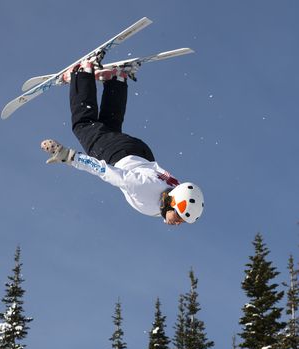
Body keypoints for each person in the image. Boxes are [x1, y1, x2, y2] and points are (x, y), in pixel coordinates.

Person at [41, 59, 204, 226]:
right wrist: (69, 157)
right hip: (118, 155)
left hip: (139, 152)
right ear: (172, 202)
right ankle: (82, 72)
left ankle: (117, 79)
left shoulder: (174, 188)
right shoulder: (143, 189)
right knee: (83, 125)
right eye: (178, 217)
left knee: (107, 129)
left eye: (182, 221)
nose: (177, 223)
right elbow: (105, 171)